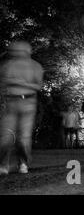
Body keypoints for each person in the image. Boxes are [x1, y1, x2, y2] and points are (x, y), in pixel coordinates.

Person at [0, 41, 43, 175]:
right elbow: (2, 83)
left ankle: (23, 163)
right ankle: (3, 164)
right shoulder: (7, 65)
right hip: (10, 102)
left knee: (23, 137)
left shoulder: (35, 66)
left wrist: (21, 83)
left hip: (28, 103)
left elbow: (38, 86)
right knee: (6, 135)